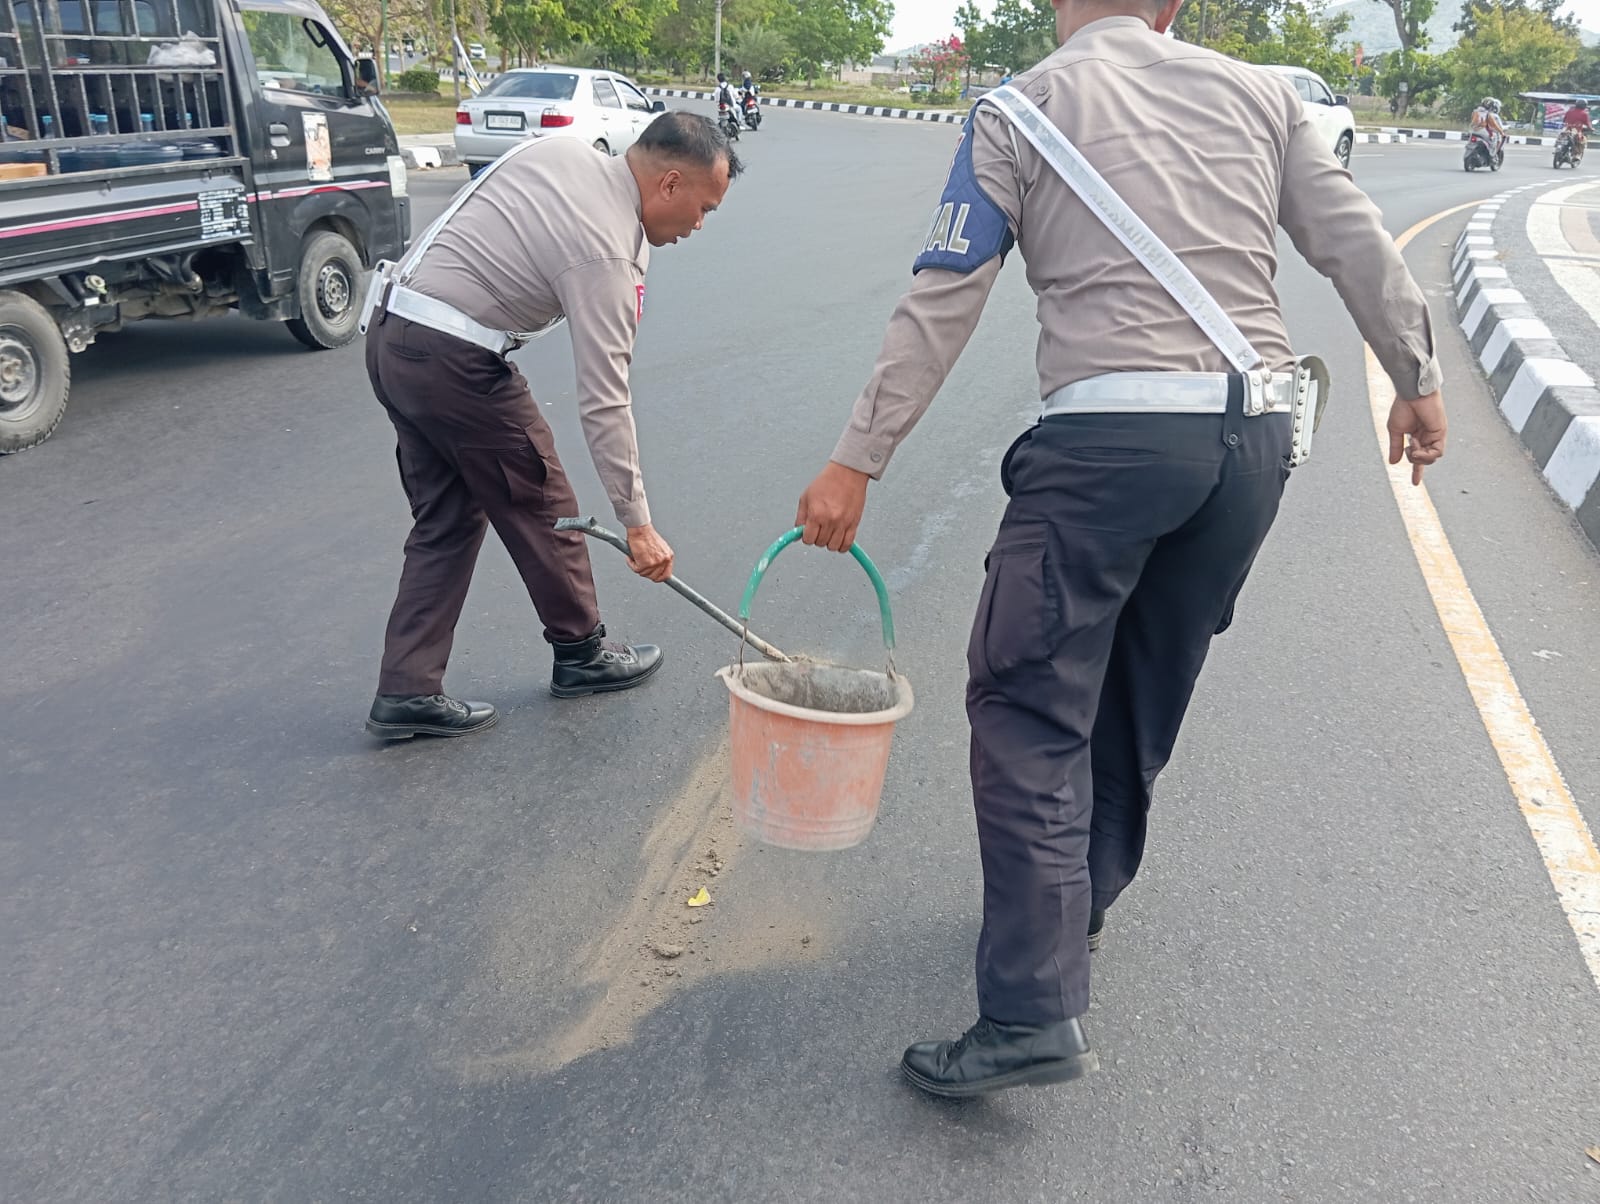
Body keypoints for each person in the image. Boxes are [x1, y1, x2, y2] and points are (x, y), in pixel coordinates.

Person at [794, 0, 1447, 1098]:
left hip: (1107, 445)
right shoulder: (1264, 95)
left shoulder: (1017, 109)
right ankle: (1078, 898)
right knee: (1142, 689)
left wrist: (859, 458)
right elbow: (1355, 244)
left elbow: (943, 297)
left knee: (1026, 702)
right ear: (1173, 8)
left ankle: (1027, 1012)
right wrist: (1416, 378)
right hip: (1252, 443)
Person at [363, 113, 743, 740]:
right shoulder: (607, 247)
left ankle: (407, 687)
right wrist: (637, 524)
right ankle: (581, 652)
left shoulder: (565, 152)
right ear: (670, 183)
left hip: (392, 334)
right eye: (703, 208)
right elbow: (605, 397)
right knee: (543, 500)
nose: (699, 225)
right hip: (453, 357)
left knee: (447, 519)